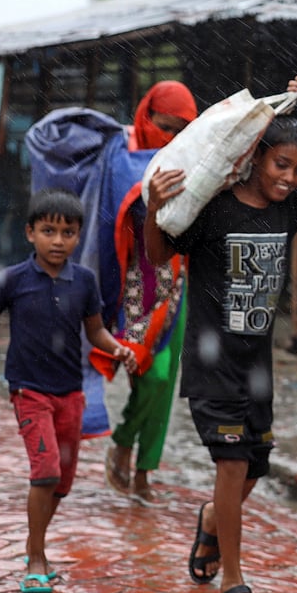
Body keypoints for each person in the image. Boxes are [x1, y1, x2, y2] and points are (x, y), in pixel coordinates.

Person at [144, 72, 297, 593]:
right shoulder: (215, 208)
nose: (288, 178)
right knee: (233, 465)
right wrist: (152, 208)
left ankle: (211, 521)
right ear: (254, 157)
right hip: (212, 360)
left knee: (256, 466)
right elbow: (155, 255)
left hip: (256, 366)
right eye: (279, 165)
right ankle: (234, 582)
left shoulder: (290, 206)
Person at [0, 188, 137, 593]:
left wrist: (118, 348)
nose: (58, 240)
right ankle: (36, 557)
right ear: (30, 233)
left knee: (62, 482)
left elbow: (95, 331)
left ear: (77, 236)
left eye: (68, 232)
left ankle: (32, 544)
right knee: (47, 471)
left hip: (69, 393)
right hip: (29, 391)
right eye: (49, 230)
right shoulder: (13, 280)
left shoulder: (84, 282)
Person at [104, 79, 199, 505]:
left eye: (184, 131)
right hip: (131, 281)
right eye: (166, 127)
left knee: (165, 380)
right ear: (147, 117)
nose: (174, 140)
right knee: (148, 372)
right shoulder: (122, 154)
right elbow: (113, 208)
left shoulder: (194, 159)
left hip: (174, 282)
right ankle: (124, 440)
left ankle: (144, 470)